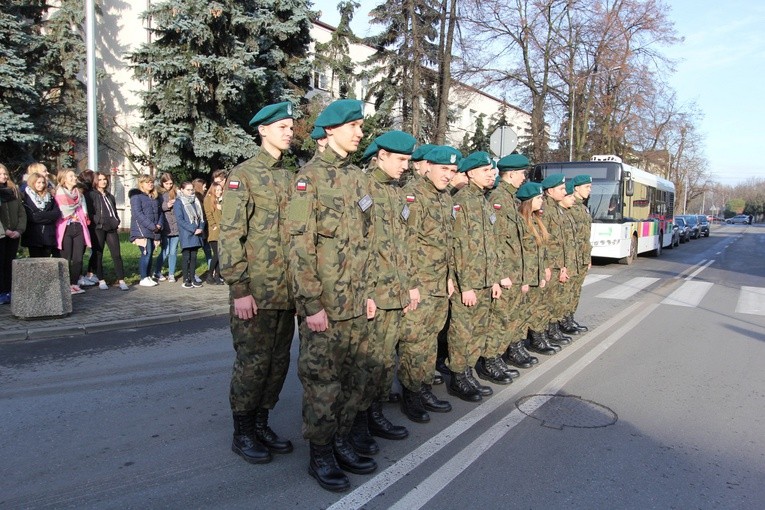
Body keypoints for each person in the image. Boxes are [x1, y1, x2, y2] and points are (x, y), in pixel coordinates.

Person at [285, 99, 377, 492]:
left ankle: (340, 441)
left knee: (353, 380)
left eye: (360, 126)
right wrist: (310, 305)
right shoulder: (308, 180)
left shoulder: (358, 179)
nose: (360, 132)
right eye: (354, 126)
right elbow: (298, 246)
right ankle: (320, 454)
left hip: (357, 303)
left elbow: (368, 242)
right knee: (323, 383)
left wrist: (370, 292)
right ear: (330, 131)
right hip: (325, 306)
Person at [219, 101, 298, 468]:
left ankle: (263, 422)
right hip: (257, 290)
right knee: (252, 363)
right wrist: (240, 289)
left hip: (287, 291)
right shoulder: (244, 175)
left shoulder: (290, 175)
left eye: (291, 126)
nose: (289, 131)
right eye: (282, 126)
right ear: (263, 130)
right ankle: (243, 431)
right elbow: (231, 236)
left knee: (277, 363)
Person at [351, 131, 420, 455]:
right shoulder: (363, 188)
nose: (406, 166)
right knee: (367, 364)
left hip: (395, 293)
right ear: (381, 156)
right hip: (373, 295)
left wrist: (408, 286)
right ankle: (358, 423)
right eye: (401, 160)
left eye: (408, 160)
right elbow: (357, 246)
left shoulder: (396, 193)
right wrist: (365, 293)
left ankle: (375, 415)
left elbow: (402, 246)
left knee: (383, 362)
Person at [397, 146, 459, 423]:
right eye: (444, 169)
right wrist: (410, 284)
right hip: (418, 284)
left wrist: (448, 276)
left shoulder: (445, 198)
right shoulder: (412, 195)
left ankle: (422, 387)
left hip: (437, 283)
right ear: (429, 166)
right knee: (414, 342)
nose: (448, 175)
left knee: (430, 338)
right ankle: (410, 394)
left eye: (453, 171)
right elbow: (404, 244)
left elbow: (447, 243)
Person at [446, 151, 506, 401]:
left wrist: (494, 279)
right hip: (467, 283)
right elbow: (458, 246)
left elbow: (489, 245)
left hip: (484, 279)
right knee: (462, 330)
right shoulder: (462, 201)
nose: (491, 174)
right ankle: (458, 376)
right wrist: (466, 286)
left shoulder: (483, 200)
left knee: (478, 329)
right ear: (470, 173)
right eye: (486, 171)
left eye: (492, 171)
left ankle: (468, 370)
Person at [489, 154, 537, 371]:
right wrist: (499, 275)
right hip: (506, 273)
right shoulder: (498, 200)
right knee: (500, 319)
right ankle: (491, 360)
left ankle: (502, 354)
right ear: (510, 174)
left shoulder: (511, 200)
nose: (523, 178)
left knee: (510, 317)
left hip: (515, 272)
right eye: (521, 174)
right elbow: (495, 241)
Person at [516, 182, 559, 355]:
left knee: (536, 309)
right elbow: (519, 254)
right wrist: (524, 279)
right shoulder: (522, 221)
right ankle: (516, 347)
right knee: (521, 313)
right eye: (539, 198)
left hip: (536, 274)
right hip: (525, 276)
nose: (542, 201)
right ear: (528, 201)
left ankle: (536, 338)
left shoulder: (536, 220)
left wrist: (544, 270)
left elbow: (541, 250)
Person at [560, 175, 592, 334]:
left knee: (575, 291)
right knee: (568, 291)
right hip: (573, 258)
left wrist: (588, 257)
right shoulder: (571, 207)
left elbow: (586, 236)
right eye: (587, 187)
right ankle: (563, 320)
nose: (589, 190)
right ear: (577, 188)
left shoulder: (583, 208)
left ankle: (569, 317)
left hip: (581, 257)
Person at [54, 169, 91, 295]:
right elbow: (60, 211)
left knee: (78, 258)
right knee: (66, 258)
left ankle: (75, 284)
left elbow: (83, 210)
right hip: (65, 228)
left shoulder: (79, 194)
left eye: (74, 176)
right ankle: (66, 285)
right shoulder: (58, 193)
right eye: (71, 176)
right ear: (63, 179)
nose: (74, 178)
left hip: (78, 226)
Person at [90, 172, 129, 291]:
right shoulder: (91, 195)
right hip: (99, 228)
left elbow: (113, 210)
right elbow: (91, 212)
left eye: (105, 179)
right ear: (96, 181)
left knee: (116, 254)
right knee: (98, 253)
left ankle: (121, 279)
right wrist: (98, 221)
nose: (103, 181)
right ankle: (101, 279)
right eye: (100, 179)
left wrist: (116, 220)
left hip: (111, 227)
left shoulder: (109, 196)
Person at [0, 164, 27, 304]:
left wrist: (19, 230)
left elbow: (21, 213)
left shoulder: (13, 191)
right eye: (1, 174)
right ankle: (1, 292)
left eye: (5, 174)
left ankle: (9, 290)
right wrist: (6, 230)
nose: (4, 176)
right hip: (2, 234)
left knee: (10, 263)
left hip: (14, 234)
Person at [129, 174, 163, 287]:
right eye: (147, 182)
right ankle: (143, 277)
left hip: (153, 229)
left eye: (152, 182)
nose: (150, 184)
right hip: (141, 230)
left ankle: (148, 276)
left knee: (150, 252)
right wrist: (151, 225)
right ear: (141, 183)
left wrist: (159, 224)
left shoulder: (154, 197)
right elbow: (138, 214)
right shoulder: (136, 197)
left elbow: (159, 213)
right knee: (146, 252)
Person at [21, 172, 61, 258]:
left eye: (43, 182)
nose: (41, 185)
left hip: (48, 234)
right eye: (38, 182)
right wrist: (47, 216)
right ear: (33, 183)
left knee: (46, 261)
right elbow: (32, 217)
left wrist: (40, 215)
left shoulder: (50, 197)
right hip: (33, 235)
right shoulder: (26, 197)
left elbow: (56, 213)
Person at [174, 182, 205, 288]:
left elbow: (201, 216)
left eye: (192, 189)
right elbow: (180, 220)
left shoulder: (195, 200)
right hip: (187, 233)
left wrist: (201, 227)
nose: (191, 192)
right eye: (188, 189)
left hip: (197, 233)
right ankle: (185, 279)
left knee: (194, 257)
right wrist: (193, 229)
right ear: (181, 190)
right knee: (186, 256)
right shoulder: (179, 202)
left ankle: (192, 278)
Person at [154, 173, 180, 282]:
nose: (169, 185)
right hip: (165, 227)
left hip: (176, 227)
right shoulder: (158, 193)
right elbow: (157, 208)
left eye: (171, 183)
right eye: (166, 183)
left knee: (173, 251)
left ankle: (171, 274)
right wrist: (167, 205)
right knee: (165, 251)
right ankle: (157, 271)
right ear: (162, 183)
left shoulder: (176, 192)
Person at [204, 182, 224, 284]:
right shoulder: (209, 199)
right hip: (215, 231)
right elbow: (208, 213)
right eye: (217, 190)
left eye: (221, 190)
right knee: (216, 254)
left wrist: (222, 206)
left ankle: (217, 276)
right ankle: (210, 274)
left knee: (221, 255)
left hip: (222, 231)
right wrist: (213, 225)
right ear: (213, 190)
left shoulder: (221, 200)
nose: (219, 192)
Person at [192, 177, 212, 277]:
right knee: (195, 253)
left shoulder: (204, 198)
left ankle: (211, 270)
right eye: (204, 186)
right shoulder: (196, 199)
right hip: (199, 229)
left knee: (208, 251)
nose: (206, 188)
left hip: (204, 229)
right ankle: (193, 273)